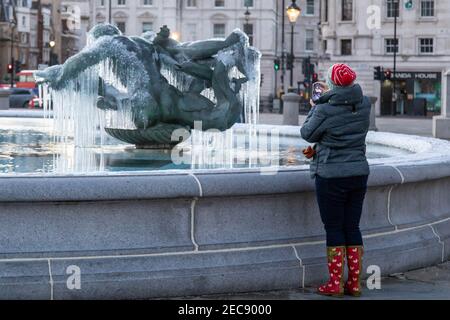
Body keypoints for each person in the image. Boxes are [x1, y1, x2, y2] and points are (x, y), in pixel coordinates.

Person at [300, 63, 371, 297]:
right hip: (358, 173)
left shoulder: (324, 109)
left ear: (332, 83)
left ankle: (335, 284)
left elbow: (307, 134)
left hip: (331, 175)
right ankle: (354, 283)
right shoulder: (364, 104)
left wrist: (315, 105)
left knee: (333, 228)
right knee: (352, 226)